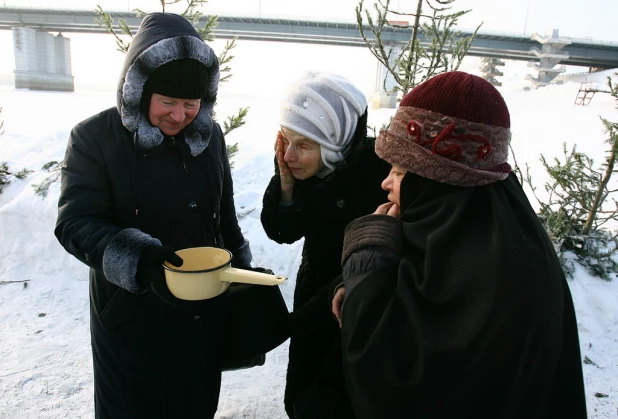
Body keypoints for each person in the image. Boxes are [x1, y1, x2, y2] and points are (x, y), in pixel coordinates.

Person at [333, 71, 588, 419]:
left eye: (400, 171)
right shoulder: (483, 229)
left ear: (438, 177)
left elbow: (385, 369)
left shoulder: (491, 276)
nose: (386, 182)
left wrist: (369, 255)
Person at [54, 13, 254, 419]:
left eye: (190, 104)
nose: (179, 116)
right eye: (167, 102)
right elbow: (76, 223)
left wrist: (240, 272)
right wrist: (141, 260)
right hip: (131, 314)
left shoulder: (209, 137)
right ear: (139, 90)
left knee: (194, 404)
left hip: (200, 312)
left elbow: (224, 216)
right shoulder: (95, 138)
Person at [260, 72, 391, 418]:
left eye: (303, 144)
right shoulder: (305, 168)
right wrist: (286, 189)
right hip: (314, 291)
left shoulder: (381, 174)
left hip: (359, 308)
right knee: (306, 397)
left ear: (335, 142)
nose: (288, 154)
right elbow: (281, 231)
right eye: (286, 140)